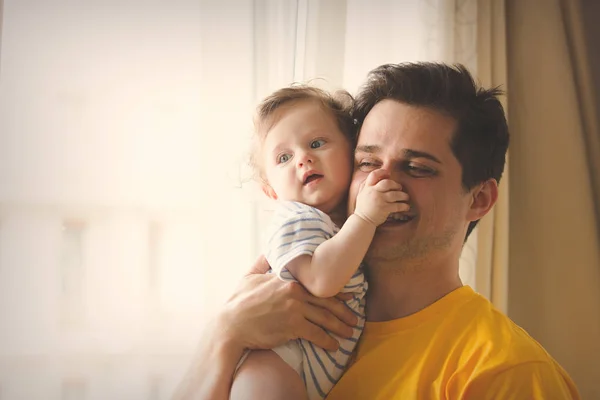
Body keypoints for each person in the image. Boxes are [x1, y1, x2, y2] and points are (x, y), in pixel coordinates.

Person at [173, 62, 580, 399]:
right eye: (367, 163)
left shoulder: (505, 374)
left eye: (417, 168)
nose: (380, 184)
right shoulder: (268, 313)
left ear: (478, 199)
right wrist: (223, 335)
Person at [231, 86, 408, 400]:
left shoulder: (333, 226)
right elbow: (321, 279)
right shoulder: (296, 218)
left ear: (351, 152)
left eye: (316, 143)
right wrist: (366, 217)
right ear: (271, 190)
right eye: (284, 157)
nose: (304, 159)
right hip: (274, 362)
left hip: (305, 369)